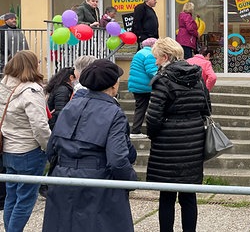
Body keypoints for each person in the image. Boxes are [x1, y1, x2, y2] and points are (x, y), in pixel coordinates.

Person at [42, 59, 137, 232]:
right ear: (114, 85)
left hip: (63, 179)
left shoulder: (70, 106)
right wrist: (130, 181)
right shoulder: (114, 113)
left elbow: (52, 148)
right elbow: (117, 159)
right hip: (98, 184)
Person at [145, 37, 210, 232]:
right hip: (193, 140)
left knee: (166, 196)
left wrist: (154, 135)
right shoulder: (197, 78)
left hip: (167, 144)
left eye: (157, 58)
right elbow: (207, 108)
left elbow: (153, 118)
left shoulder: (163, 80)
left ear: (165, 57)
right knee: (189, 196)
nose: (155, 62)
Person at [0, 51, 51, 232]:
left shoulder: (3, 87)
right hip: (29, 150)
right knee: (25, 200)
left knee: (11, 197)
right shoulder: (31, 91)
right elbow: (39, 126)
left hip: (8, 148)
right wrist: (49, 147)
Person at [128, 37, 158, 139]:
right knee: (147, 108)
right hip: (144, 86)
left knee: (140, 107)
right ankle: (136, 131)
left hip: (136, 85)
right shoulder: (150, 55)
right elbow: (151, 71)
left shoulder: (140, 53)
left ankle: (136, 130)